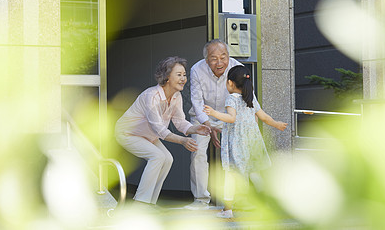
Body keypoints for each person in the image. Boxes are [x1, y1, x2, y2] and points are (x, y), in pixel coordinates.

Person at [115, 56, 211, 206]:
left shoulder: (176, 96)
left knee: (168, 158)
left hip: (148, 136)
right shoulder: (151, 96)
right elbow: (159, 129)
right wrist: (182, 140)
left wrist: (195, 129)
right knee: (158, 157)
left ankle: (150, 203)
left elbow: (179, 121)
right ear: (167, 77)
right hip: (128, 133)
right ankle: (141, 203)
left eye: (184, 75)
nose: (183, 78)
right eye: (178, 74)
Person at [203, 65, 287, 218]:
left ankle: (227, 210)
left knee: (231, 174)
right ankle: (268, 203)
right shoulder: (250, 97)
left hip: (237, 142)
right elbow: (264, 117)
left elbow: (231, 118)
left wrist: (213, 113)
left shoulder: (231, 99)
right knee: (254, 173)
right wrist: (277, 124)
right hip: (252, 142)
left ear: (229, 83)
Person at [185, 39, 242, 210]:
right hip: (201, 117)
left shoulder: (237, 68)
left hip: (229, 115)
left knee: (238, 154)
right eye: (214, 58)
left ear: (229, 56)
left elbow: (243, 100)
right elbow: (196, 101)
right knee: (198, 154)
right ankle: (201, 200)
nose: (219, 63)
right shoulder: (197, 69)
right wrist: (208, 125)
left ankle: (237, 199)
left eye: (223, 57)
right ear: (206, 60)